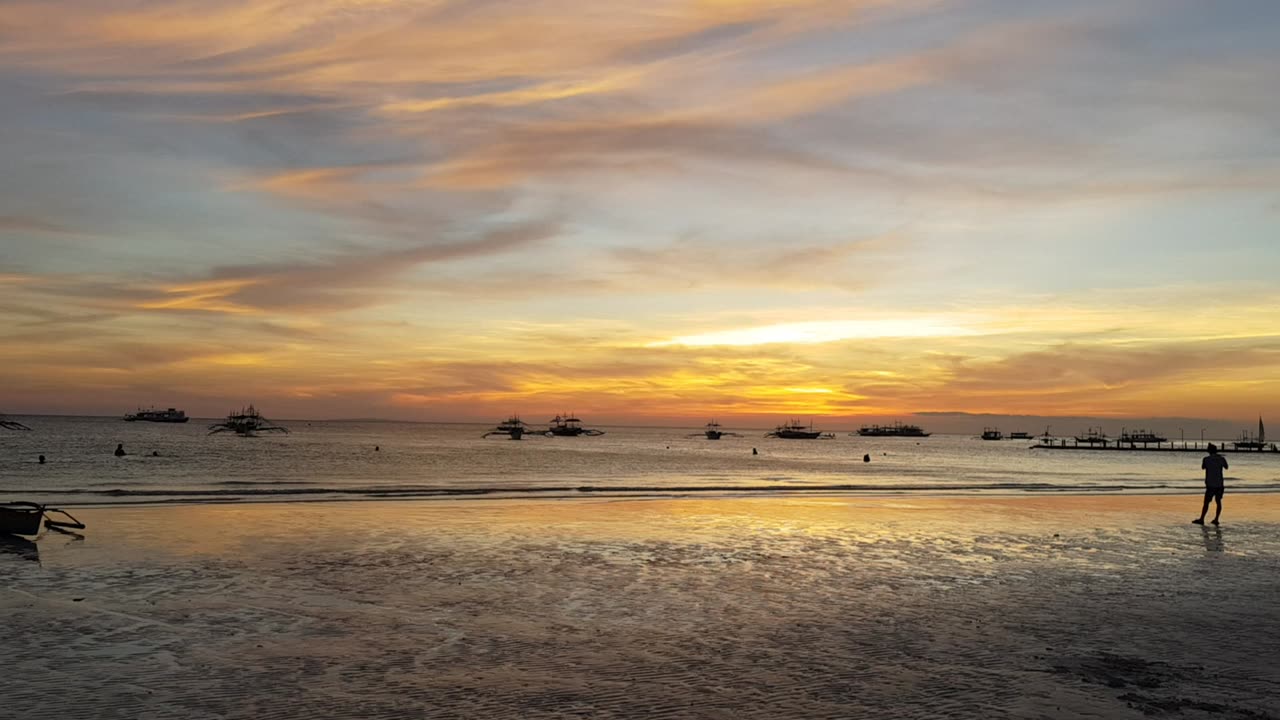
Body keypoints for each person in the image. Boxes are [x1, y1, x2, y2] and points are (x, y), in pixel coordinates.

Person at [1193, 443, 1228, 526]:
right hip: (1219, 484)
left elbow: (1203, 467)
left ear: (1209, 451)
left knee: (1206, 502)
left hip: (1210, 484)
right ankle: (1216, 519)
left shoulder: (1206, 459)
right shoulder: (1221, 459)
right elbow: (1226, 467)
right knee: (1218, 501)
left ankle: (1202, 519)